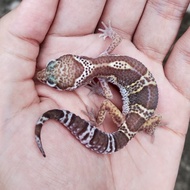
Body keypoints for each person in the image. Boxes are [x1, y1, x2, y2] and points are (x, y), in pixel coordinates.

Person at [0, 0, 190, 189]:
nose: (44, 76)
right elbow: (115, 40)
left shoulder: (102, 75)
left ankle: (110, 123)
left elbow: (107, 98)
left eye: (53, 82)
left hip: (132, 113)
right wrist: (109, 33)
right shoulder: (103, 58)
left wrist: (99, 102)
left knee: (108, 106)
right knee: (130, 115)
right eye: (52, 70)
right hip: (144, 106)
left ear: (76, 80)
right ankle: (150, 125)